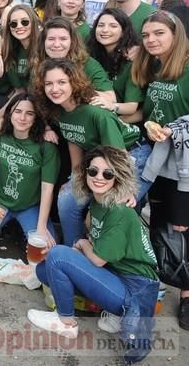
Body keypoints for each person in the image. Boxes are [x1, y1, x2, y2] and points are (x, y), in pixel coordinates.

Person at [27, 146, 160, 356]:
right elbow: (92, 231)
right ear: (86, 172)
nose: (99, 177)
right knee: (44, 270)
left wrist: (81, 245)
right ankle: (113, 313)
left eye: (108, 174)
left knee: (58, 256)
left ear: (118, 177)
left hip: (136, 289)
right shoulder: (99, 201)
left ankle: (66, 322)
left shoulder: (119, 211)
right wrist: (81, 247)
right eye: (93, 171)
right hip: (117, 275)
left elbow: (97, 260)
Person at [32, 58, 146, 246]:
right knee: (67, 200)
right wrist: (75, 177)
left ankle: (102, 259)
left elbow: (118, 154)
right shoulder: (60, 111)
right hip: (101, 157)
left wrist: (125, 189)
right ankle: (72, 250)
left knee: (112, 203)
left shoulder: (95, 113)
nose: (54, 89)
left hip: (131, 154)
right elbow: (74, 141)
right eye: (48, 84)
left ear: (74, 83)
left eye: (61, 82)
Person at [132, 11, 189, 328]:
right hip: (157, 157)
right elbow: (148, 111)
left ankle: (186, 295)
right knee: (162, 225)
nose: (152, 40)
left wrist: (176, 129)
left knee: (185, 226)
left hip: (184, 162)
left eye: (159, 34)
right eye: (147, 35)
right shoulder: (152, 65)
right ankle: (165, 274)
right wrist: (152, 124)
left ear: (175, 33)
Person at [0, 92, 59, 254]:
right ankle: (2, 227)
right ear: (11, 114)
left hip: (28, 206)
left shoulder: (46, 147)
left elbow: (47, 189)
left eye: (29, 113)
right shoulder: (3, 135)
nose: (22, 118)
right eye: (18, 111)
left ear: (36, 118)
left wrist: (41, 228)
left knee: (45, 251)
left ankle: (24, 229)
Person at [33, 16, 115, 100]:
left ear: (72, 42)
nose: (56, 44)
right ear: (43, 42)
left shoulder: (87, 64)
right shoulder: (38, 63)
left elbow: (110, 97)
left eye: (63, 39)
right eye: (51, 39)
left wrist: (73, 91)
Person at [86, 8, 142, 123]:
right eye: (100, 25)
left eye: (113, 26)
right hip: (95, 117)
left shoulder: (131, 60)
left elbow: (131, 107)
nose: (105, 30)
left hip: (124, 122)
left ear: (123, 32)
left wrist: (112, 106)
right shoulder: (91, 57)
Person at [1, 4, 42, 93]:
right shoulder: (11, 50)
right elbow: (19, 91)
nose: (19, 26)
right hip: (24, 99)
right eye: (13, 24)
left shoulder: (45, 47)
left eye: (25, 22)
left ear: (34, 22)